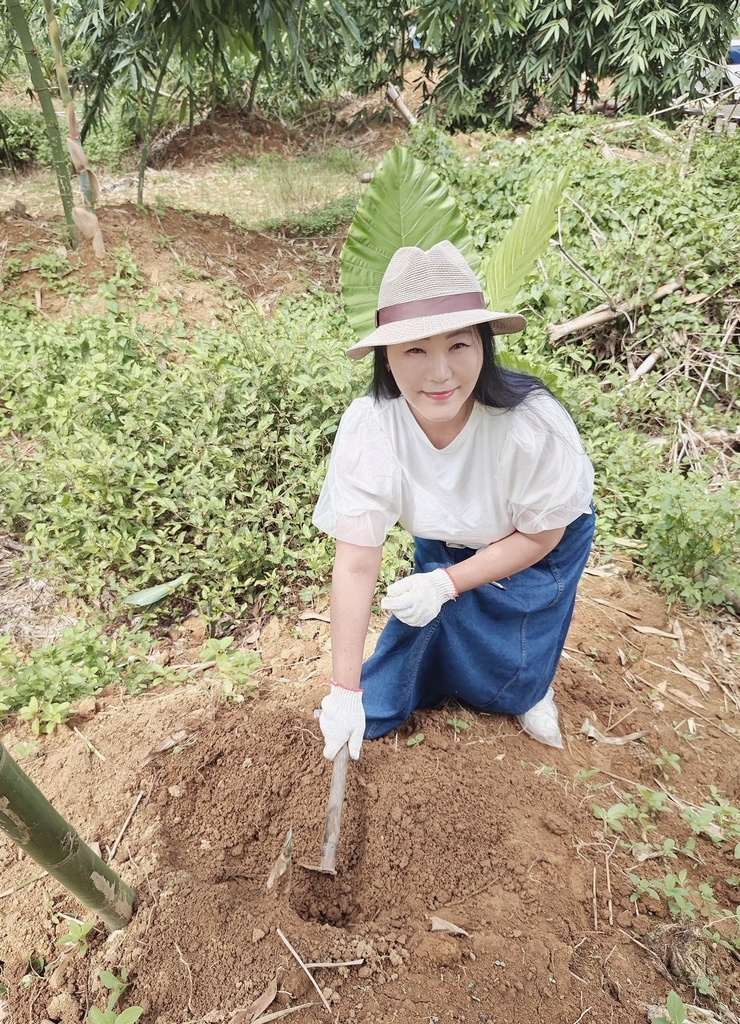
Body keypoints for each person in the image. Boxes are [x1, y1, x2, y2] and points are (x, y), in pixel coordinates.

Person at [312, 241, 594, 761]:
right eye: (415, 350)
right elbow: (354, 563)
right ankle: (385, 698)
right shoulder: (372, 428)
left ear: (484, 345)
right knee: (425, 628)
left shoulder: (531, 425)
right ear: (387, 358)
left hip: (538, 539)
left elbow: (542, 533)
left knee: (521, 632)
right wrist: (344, 689)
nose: (440, 373)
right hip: (447, 534)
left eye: (458, 345)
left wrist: (447, 581)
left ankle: (529, 691)